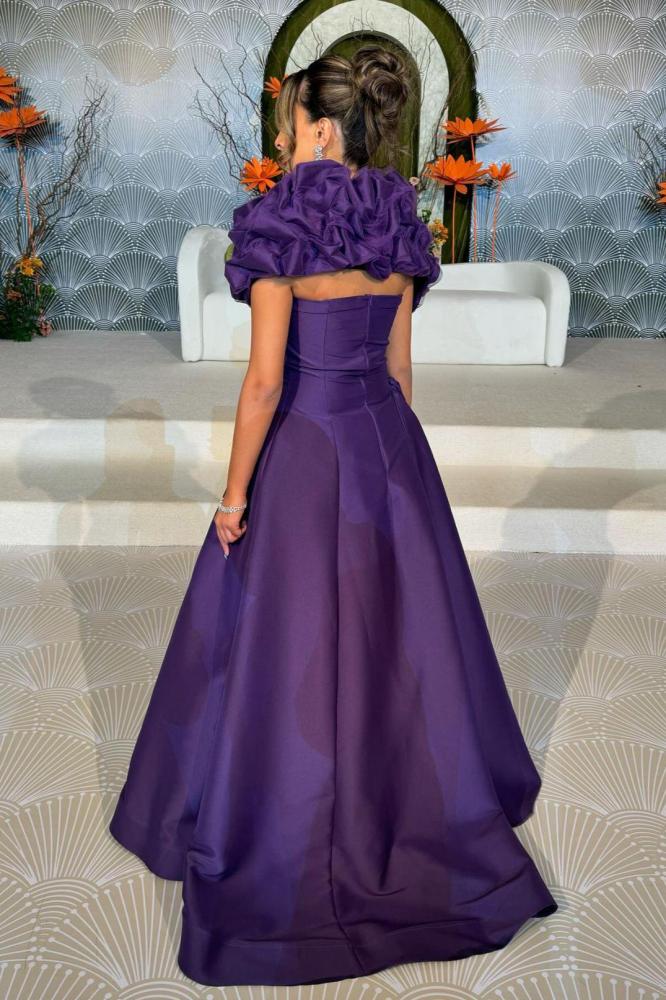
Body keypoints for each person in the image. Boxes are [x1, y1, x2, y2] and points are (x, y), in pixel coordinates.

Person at [109, 46, 558, 988]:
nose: (282, 140)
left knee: (289, 640)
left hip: (308, 454)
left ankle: (291, 809)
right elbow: (399, 367)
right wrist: (401, 474)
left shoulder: (280, 222)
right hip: (387, 445)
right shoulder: (399, 215)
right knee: (398, 639)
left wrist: (235, 496)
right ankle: (408, 794)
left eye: (288, 124)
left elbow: (264, 384)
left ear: (319, 126)